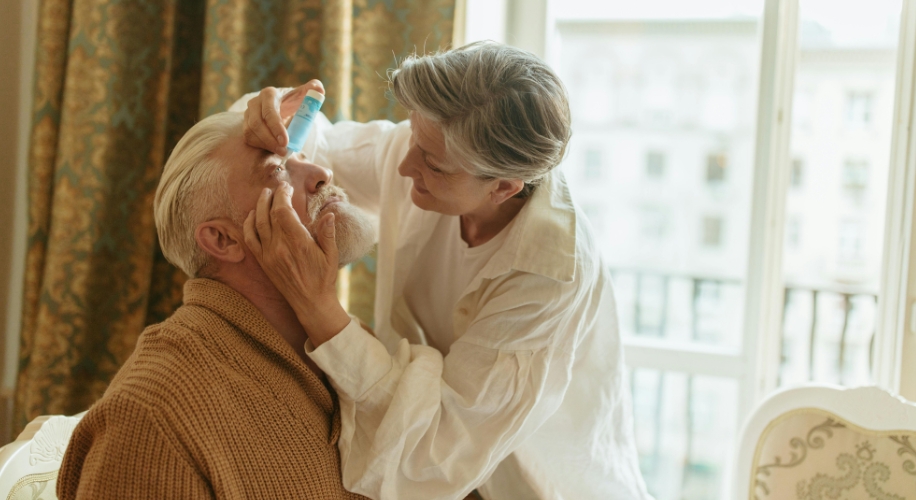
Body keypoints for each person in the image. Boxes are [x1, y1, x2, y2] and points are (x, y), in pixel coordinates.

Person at [239, 42, 651, 499]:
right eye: (415, 137)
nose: (404, 164)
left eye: (432, 163)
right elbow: (320, 146)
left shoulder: (550, 275)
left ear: (504, 187)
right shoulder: (428, 149)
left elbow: (437, 453)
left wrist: (318, 307)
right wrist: (272, 113)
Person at [57, 111, 377, 500]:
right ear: (223, 241)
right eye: (277, 170)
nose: (322, 171)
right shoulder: (152, 415)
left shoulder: (349, 351)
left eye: (301, 157)